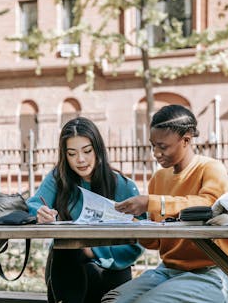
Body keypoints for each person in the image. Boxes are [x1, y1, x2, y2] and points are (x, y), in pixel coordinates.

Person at [103, 104, 228, 303]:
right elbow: (157, 242)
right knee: (112, 300)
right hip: (168, 271)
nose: (156, 153)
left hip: (212, 272)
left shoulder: (210, 168)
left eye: (163, 146)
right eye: (153, 145)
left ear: (186, 140)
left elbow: (209, 204)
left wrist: (153, 202)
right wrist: (132, 223)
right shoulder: (158, 179)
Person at [27, 117, 144, 303]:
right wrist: (39, 213)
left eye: (87, 151)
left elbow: (138, 241)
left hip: (113, 267)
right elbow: (32, 205)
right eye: (71, 154)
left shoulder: (123, 186)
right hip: (67, 264)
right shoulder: (59, 178)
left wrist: (92, 251)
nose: (80, 160)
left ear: (98, 149)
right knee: (66, 251)